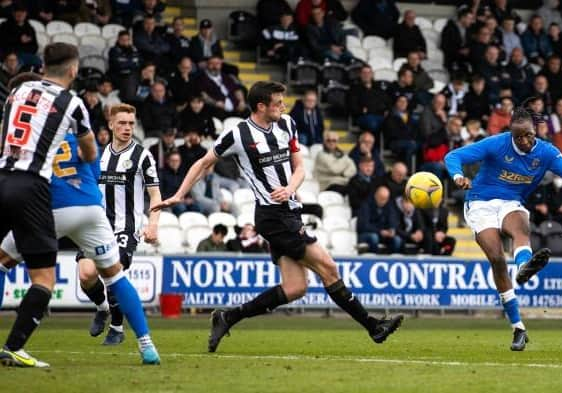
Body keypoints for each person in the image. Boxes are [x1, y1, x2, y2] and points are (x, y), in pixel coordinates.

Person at [151, 81, 403, 352]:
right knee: (329, 268)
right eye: (278, 103)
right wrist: (178, 194)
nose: (283, 107)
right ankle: (373, 326)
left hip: (288, 210)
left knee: (295, 288)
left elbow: (299, 168)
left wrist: (291, 188)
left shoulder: (286, 125)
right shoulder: (238, 134)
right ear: (261, 106)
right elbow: (203, 163)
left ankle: (228, 316)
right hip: (272, 215)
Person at [0, 125, 160, 366]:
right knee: (114, 276)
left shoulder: (35, 141)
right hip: (91, 210)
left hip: (53, 207)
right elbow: (94, 173)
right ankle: (146, 345)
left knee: (5, 264)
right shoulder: (83, 139)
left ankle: (15, 346)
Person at [444, 107, 562, 351]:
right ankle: (518, 327)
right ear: (511, 135)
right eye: (519, 137)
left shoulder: (546, 151)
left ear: (534, 130)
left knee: (520, 227)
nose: (525, 140)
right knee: (496, 258)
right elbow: (453, 157)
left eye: (529, 134)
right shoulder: (496, 144)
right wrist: (457, 177)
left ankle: (524, 266)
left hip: (511, 202)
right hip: (480, 202)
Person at [0, 44, 98, 367]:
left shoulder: (20, 89)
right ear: (73, 70)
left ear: (43, 65)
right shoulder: (74, 103)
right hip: (32, 188)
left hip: (2, 175)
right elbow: (90, 153)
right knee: (43, 278)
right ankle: (14, 347)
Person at [97, 103, 161, 345]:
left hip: (127, 227)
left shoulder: (142, 155)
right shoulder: (99, 155)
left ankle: (116, 327)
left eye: (131, 124)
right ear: (111, 124)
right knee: (87, 276)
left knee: (114, 273)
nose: (127, 128)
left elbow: (155, 196)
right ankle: (103, 309)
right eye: (122, 123)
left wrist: (153, 224)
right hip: (98, 227)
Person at [356, 185, 402, 254]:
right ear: (376, 195)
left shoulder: (389, 205)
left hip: (383, 234)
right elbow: (363, 226)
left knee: (397, 239)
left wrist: (392, 229)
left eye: (385, 199)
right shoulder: (366, 205)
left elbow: (393, 220)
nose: (383, 201)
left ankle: (389, 259)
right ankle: (375, 258)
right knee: (374, 237)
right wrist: (380, 231)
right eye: (381, 198)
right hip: (366, 234)